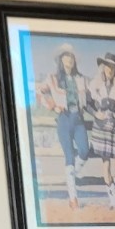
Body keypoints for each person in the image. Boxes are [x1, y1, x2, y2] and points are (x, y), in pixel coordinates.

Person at [36, 43, 90, 208]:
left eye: (71, 56)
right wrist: (53, 106)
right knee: (69, 157)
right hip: (64, 119)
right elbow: (39, 92)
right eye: (66, 56)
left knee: (84, 150)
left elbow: (90, 98)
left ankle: (70, 175)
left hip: (78, 118)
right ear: (61, 59)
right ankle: (73, 199)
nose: (69, 59)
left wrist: (98, 113)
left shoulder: (81, 79)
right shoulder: (53, 78)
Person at [88, 52, 115, 208]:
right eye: (107, 66)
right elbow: (87, 104)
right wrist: (95, 113)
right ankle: (112, 199)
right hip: (101, 127)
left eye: (113, 67)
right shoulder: (95, 84)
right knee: (106, 164)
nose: (110, 69)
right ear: (103, 67)